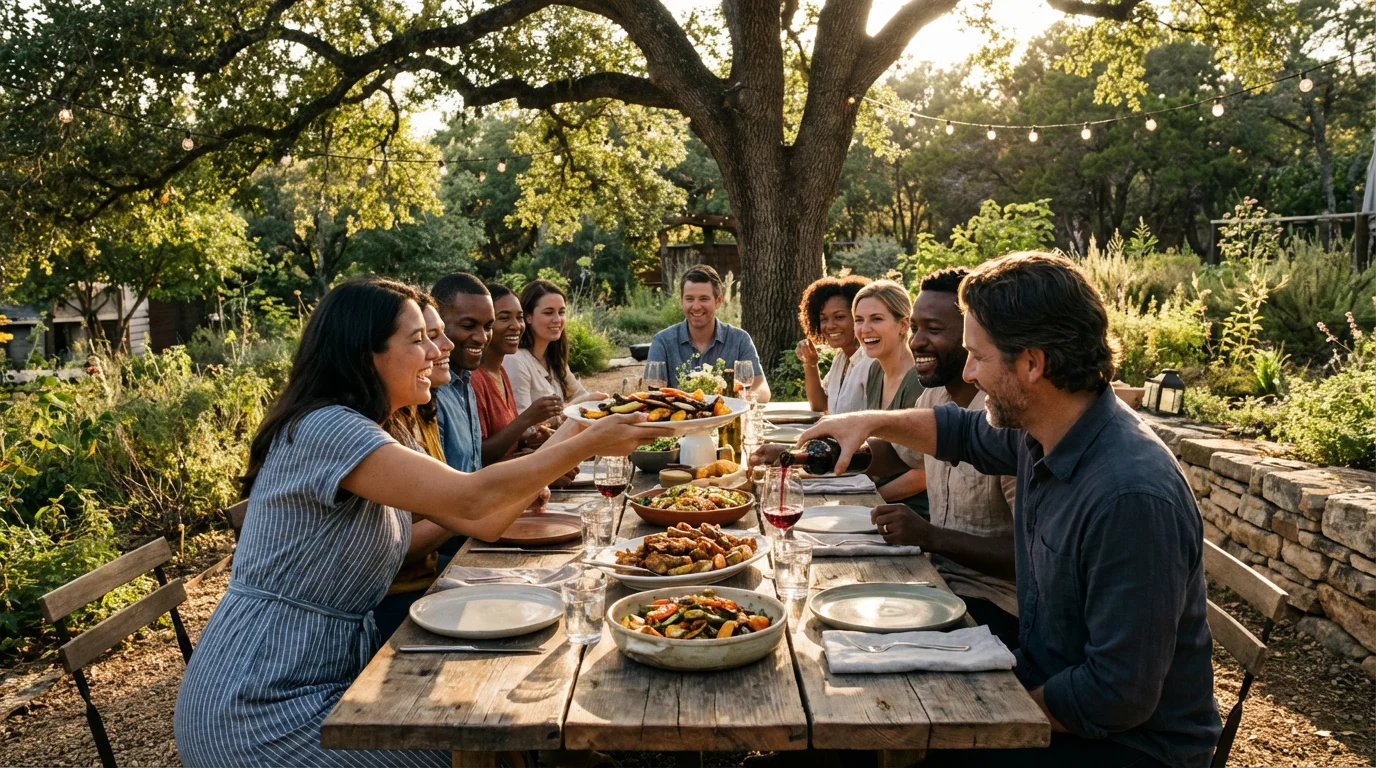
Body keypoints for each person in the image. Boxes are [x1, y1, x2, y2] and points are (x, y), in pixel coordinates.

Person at [174, 278, 666, 768]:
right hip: (260, 703)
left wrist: (581, 427)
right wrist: (586, 442)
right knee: (482, 749)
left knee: (497, 741)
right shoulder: (329, 427)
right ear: (364, 354)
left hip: (328, 678)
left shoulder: (374, 430)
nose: (441, 348)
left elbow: (487, 519)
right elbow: (473, 500)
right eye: (419, 339)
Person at [798, 252, 1220, 768]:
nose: (969, 373)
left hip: (1126, 744)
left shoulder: (1129, 496)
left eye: (979, 356)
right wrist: (865, 422)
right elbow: (959, 431)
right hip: (1043, 680)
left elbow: (1118, 694)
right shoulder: (1046, 426)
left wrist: (986, 717)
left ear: (1032, 363)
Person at [869, 267, 1019, 649]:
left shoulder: (1008, 416)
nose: (916, 342)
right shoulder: (934, 395)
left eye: (933, 330)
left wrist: (930, 536)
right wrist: (809, 456)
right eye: (915, 328)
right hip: (935, 581)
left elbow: (1027, 558)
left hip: (997, 607)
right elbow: (898, 454)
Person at [647, 264, 770, 401]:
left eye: (704, 299)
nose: (696, 306)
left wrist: (740, 399)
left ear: (718, 301)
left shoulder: (740, 339)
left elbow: (762, 389)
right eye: (689, 299)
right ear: (681, 301)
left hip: (727, 419)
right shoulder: (662, 341)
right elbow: (650, 394)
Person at [853, 280, 926, 512]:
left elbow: (924, 472)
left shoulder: (918, 381)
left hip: (912, 514)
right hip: (877, 501)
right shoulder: (875, 369)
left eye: (876, 319)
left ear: (903, 324)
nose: (864, 329)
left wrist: (870, 501)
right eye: (859, 320)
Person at [473, 282, 564, 464]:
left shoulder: (500, 372)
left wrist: (527, 441)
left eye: (519, 317)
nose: (516, 326)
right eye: (504, 318)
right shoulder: (475, 379)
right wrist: (528, 418)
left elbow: (506, 440)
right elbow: (477, 456)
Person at [504, 279, 602, 414]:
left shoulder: (553, 359)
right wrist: (571, 408)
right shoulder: (515, 361)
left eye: (561, 312)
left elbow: (581, 395)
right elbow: (524, 425)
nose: (557, 319)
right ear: (528, 317)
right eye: (548, 313)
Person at [429, 273, 490, 474]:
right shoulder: (429, 395)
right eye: (468, 326)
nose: (482, 338)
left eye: (488, 326)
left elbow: (473, 472)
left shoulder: (465, 383)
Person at [795, 274, 873, 414]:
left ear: (859, 318)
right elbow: (820, 405)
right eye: (824, 319)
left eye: (839, 317)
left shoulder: (870, 361)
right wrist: (811, 363)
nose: (830, 326)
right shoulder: (841, 357)